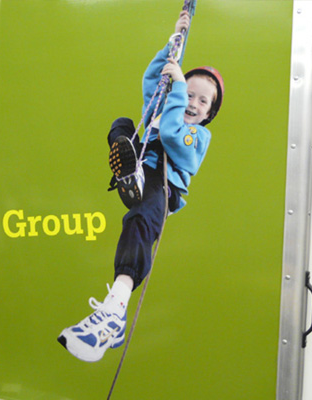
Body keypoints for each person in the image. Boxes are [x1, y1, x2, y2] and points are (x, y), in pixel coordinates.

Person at [58, 10, 224, 362]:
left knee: (139, 221)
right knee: (123, 123)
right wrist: (173, 42)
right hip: (141, 169)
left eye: (202, 101)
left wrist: (179, 86)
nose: (192, 103)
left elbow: (171, 136)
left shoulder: (198, 135)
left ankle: (115, 308)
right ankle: (127, 171)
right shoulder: (163, 106)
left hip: (161, 188)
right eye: (189, 94)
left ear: (209, 113)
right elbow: (152, 80)